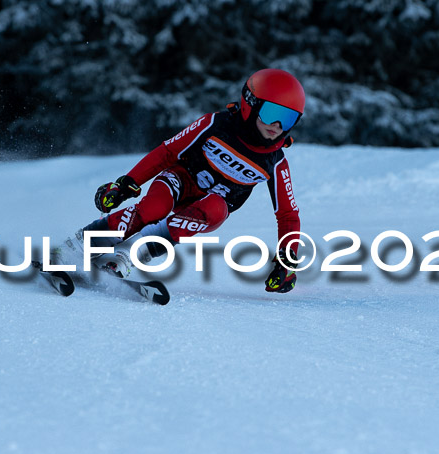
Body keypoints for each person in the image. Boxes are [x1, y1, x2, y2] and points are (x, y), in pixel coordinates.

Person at [67, 68, 304, 293]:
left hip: (204, 210)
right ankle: (78, 245)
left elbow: (288, 215)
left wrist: (288, 261)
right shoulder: (216, 125)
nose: (277, 126)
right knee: (153, 208)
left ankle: (126, 254)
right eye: (272, 113)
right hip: (179, 182)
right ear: (250, 105)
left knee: (216, 208)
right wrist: (127, 183)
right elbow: (168, 151)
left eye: (288, 118)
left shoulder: (275, 162)